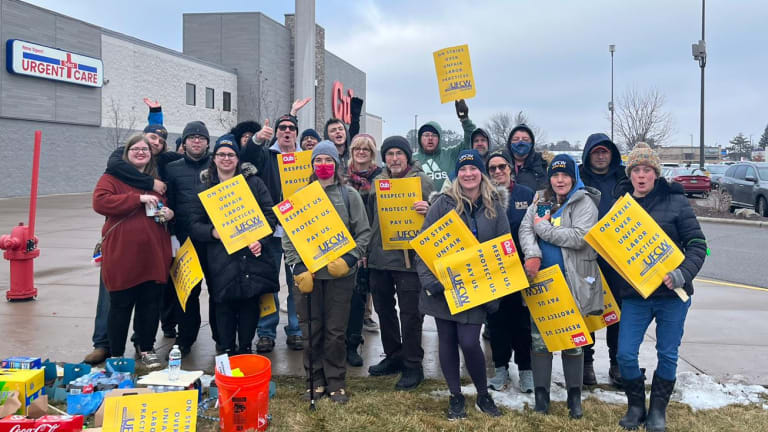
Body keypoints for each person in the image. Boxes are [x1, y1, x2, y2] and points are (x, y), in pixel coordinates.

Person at [614, 143, 707, 432]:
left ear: (656, 173)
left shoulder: (677, 203)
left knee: (667, 353)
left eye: (647, 170)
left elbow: (698, 246)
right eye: (636, 170)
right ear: (630, 174)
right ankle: (636, 406)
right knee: (625, 354)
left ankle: (657, 410)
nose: (641, 176)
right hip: (636, 296)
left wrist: (682, 274)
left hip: (672, 296)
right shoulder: (622, 206)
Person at [84, 99, 179, 365]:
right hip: (122, 255)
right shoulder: (113, 177)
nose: (141, 152)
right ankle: (114, 353)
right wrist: (136, 199)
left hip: (153, 254)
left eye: (145, 150)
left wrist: (169, 213)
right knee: (120, 306)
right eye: (136, 148)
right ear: (126, 152)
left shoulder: (159, 182)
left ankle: (146, 348)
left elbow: (168, 206)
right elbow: (100, 202)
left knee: (149, 305)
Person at [416, 149, 506, 419]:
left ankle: (483, 394)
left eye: (473, 169)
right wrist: (431, 283)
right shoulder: (442, 204)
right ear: (457, 174)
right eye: (463, 170)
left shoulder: (495, 206)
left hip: (477, 289)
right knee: (447, 340)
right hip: (444, 289)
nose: (468, 174)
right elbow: (423, 246)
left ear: (481, 173)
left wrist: (495, 294)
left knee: (469, 341)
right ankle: (455, 395)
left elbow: (504, 249)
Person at [286, 140, 371, 404]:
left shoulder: (349, 196)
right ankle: (315, 380)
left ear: (336, 164)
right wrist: (298, 266)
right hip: (308, 277)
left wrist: (350, 258)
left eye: (328, 161)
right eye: (318, 161)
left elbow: (364, 233)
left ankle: (336, 381)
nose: (323, 166)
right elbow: (289, 236)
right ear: (312, 165)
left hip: (339, 277)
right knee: (311, 331)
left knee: (335, 332)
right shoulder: (299, 197)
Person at [519, 154, 603, 419]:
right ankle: (542, 397)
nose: (559, 180)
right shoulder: (541, 199)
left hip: (574, 281)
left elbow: (579, 237)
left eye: (565, 174)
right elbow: (525, 229)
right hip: (543, 282)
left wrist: (543, 230)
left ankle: (574, 398)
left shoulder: (584, 202)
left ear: (573, 176)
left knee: (573, 341)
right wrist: (533, 254)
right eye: (555, 175)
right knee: (539, 340)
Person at [189, 135, 278, 355]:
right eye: (221, 154)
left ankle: (246, 349)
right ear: (214, 158)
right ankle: (226, 349)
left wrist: (261, 239)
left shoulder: (254, 184)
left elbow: (270, 215)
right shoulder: (205, 188)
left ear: (238, 159)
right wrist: (212, 232)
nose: (226, 158)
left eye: (231, 154)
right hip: (221, 259)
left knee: (249, 304)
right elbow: (193, 224)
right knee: (224, 305)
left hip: (250, 256)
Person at [367, 136, 434, 390]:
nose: (394, 158)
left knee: (411, 314)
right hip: (379, 259)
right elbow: (372, 218)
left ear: (407, 156)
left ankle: (413, 364)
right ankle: (393, 355)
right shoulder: (378, 182)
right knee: (384, 311)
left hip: (408, 260)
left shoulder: (422, 182)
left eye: (399, 153)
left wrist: (428, 207)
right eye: (390, 154)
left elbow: (440, 210)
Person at [241, 112, 307, 353]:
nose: (287, 131)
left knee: (297, 283)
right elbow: (246, 155)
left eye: (291, 128)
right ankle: (266, 331)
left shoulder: (306, 158)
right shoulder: (265, 154)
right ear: (276, 132)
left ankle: (296, 329)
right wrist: (258, 138)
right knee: (267, 284)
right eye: (282, 128)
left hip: (297, 231)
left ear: (297, 133)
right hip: (269, 231)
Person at [163, 121, 220, 356]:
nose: (197, 141)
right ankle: (185, 338)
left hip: (215, 239)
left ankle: (222, 337)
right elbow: (169, 202)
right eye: (192, 137)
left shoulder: (218, 165)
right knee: (187, 292)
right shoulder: (172, 169)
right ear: (184, 142)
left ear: (208, 142)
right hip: (186, 240)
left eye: (201, 137)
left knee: (218, 290)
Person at [578, 133, 629, 387]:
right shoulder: (578, 177)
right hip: (586, 254)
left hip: (617, 256)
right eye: (595, 151)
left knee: (617, 312)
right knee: (588, 309)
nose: (600, 156)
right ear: (588, 154)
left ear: (612, 154)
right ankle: (586, 362)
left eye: (605, 151)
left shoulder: (624, 177)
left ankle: (616, 363)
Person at [483, 150, 535, 393]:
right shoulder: (482, 196)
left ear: (510, 169)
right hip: (493, 270)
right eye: (492, 168)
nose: (497, 172)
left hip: (522, 269)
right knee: (496, 322)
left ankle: (526, 371)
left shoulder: (526, 195)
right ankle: (500, 368)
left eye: (501, 167)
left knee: (522, 323)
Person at [344, 134, 383, 367]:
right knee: (341, 298)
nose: (361, 152)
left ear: (372, 153)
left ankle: (353, 343)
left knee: (359, 297)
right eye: (357, 148)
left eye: (366, 150)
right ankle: (338, 343)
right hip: (342, 243)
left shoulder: (381, 178)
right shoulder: (341, 177)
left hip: (369, 243)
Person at [413, 120, 470, 192]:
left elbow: (469, 140)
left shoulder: (451, 154)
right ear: (420, 138)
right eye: (426, 135)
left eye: (434, 135)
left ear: (439, 138)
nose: (430, 138)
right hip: (421, 202)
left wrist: (465, 120)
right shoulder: (412, 159)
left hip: (449, 201)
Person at [505, 124, 549, 191]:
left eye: (525, 139)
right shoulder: (500, 163)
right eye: (515, 139)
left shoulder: (542, 163)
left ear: (531, 143)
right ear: (510, 143)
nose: (520, 142)